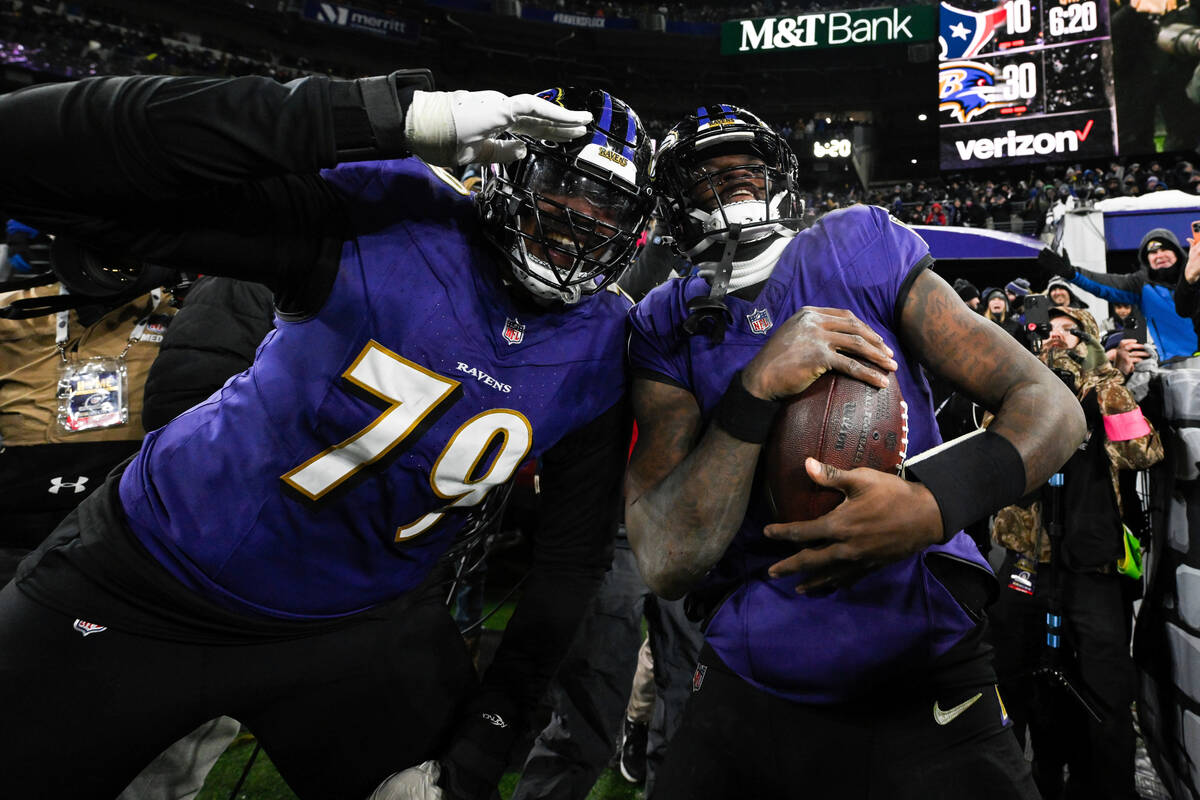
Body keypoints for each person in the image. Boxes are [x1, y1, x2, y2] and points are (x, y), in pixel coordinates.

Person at [0, 72, 654, 799]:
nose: (577, 222)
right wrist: (378, 113)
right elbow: (32, 155)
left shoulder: (605, 343)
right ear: (507, 171)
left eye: (607, 209)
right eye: (565, 190)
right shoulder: (390, 212)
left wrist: (488, 736)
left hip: (362, 624)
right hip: (152, 578)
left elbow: (572, 558)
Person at [625, 104, 1084, 799]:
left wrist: (932, 506)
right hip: (756, 671)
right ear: (672, 202)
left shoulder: (854, 245)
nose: (736, 183)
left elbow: (1050, 405)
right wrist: (753, 393)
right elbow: (666, 560)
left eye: (748, 168)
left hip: (923, 657)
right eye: (708, 176)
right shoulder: (664, 320)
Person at [989, 305, 1163, 800]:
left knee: (1106, 695)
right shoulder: (1019, 390)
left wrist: (1101, 374)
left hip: (1093, 571)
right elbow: (991, 432)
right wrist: (1034, 372)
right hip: (1027, 565)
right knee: (1017, 688)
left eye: (1072, 332)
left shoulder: (1106, 391)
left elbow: (1142, 452)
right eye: (1051, 331)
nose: (1059, 339)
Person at [1039, 229, 1200, 361]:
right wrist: (1072, 273)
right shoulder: (1140, 284)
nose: (1159, 255)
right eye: (1153, 252)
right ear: (1146, 260)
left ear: (1177, 252)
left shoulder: (1196, 276)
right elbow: (1103, 284)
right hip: (1175, 367)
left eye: (1165, 249)